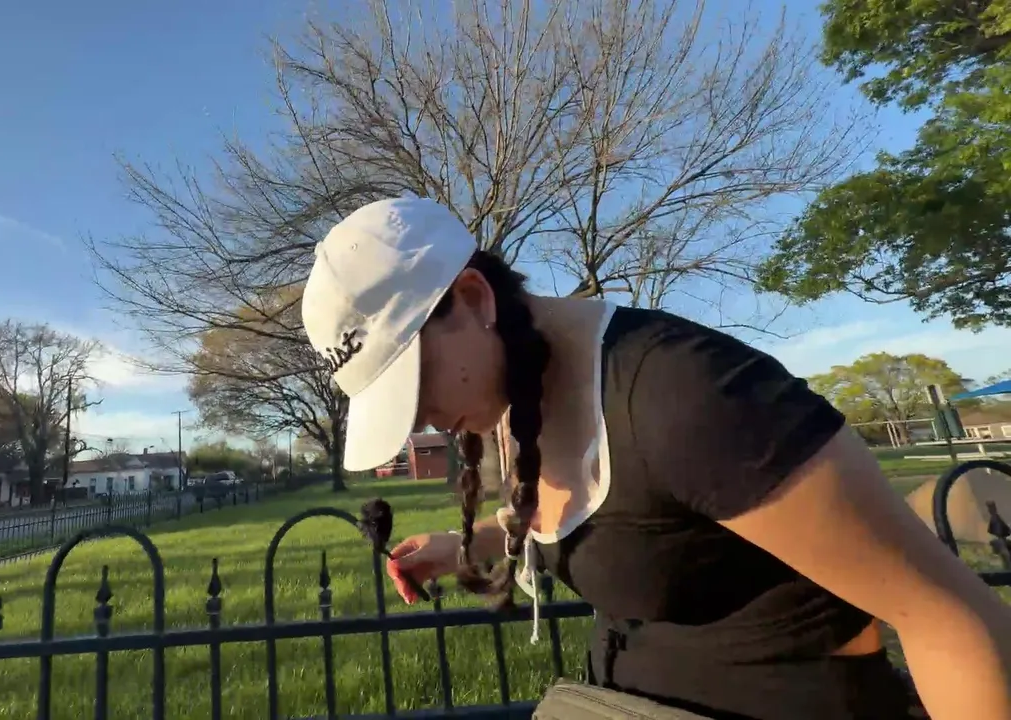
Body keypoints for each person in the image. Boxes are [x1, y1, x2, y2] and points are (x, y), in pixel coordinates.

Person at [299, 196, 1011, 720]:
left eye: (414, 380)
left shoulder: (684, 396)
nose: (418, 417)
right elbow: (642, 523)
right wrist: (473, 544)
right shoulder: (516, 398)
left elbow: (953, 624)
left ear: (473, 296)